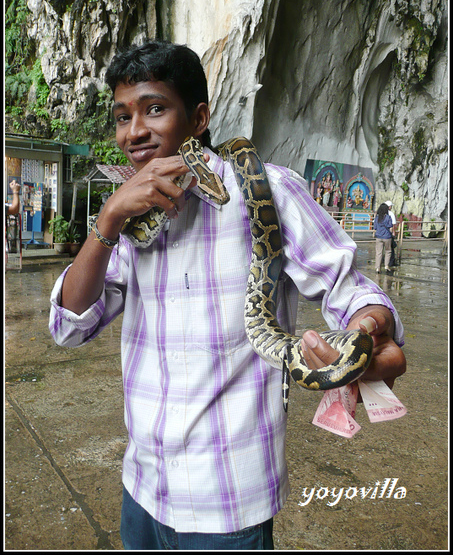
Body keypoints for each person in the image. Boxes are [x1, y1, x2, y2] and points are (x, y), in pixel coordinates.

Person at [49, 40, 406, 550]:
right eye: (122, 116)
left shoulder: (268, 191)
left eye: (154, 109)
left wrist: (366, 332)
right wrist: (108, 219)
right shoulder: (130, 220)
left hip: (228, 499)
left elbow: (353, 292)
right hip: (142, 485)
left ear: (198, 119)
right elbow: (70, 326)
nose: (135, 131)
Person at [374, 203, 393, 273]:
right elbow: (390, 228)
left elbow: (375, 227)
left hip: (378, 236)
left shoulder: (377, 218)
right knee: (388, 251)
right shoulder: (388, 217)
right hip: (387, 237)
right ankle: (386, 266)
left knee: (378, 252)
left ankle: (377, 268)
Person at [385, 200, 398, 267]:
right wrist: (393, 232)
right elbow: (393, 224)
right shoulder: (391, 214)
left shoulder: (380, 213)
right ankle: (391, 262)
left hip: (381, 234)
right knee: (390, 249)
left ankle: (381, 262)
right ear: (389, 207)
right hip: (388, 233)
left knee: (380, 250)